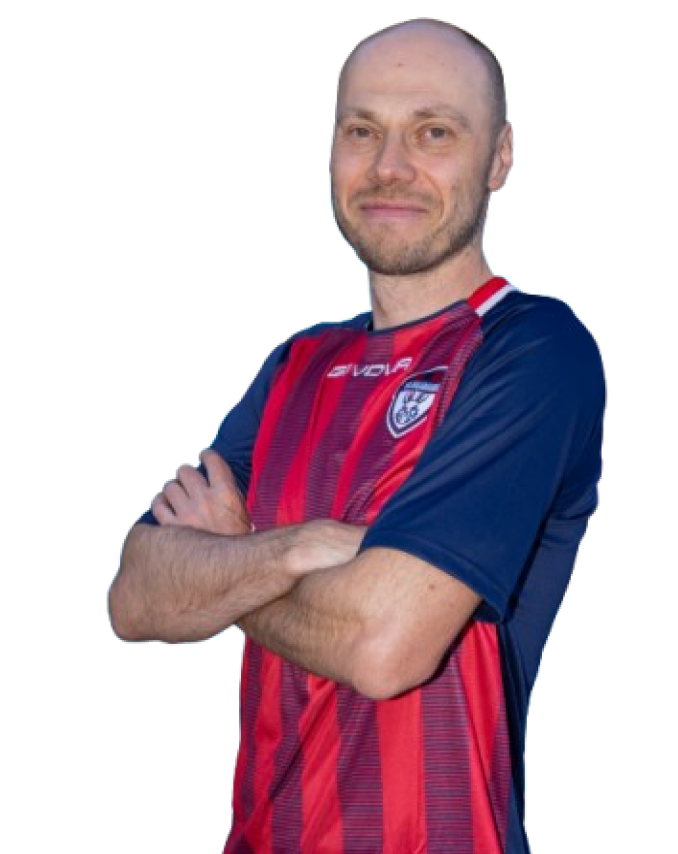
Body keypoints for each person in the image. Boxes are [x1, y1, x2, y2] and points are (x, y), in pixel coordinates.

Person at [108, 17, 607, 854]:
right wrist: (301, 548)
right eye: (362, 130)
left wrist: (229, 561)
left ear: (500, 157)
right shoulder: (297, 362)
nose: (389, 166)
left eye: (434, 132)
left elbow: (386, 647)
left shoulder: (533, 349)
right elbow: (135, 597)